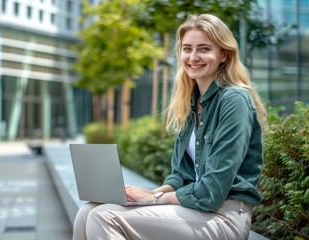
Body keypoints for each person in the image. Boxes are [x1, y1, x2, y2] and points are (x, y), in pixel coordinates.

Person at [73, 13, 267, 240]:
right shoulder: (191, 102)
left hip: (224, 216)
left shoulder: (234, 100)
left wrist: (155, 199)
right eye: (187, 49)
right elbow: (180, 176)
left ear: (223, 54)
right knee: (87, 211)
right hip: (194, 211)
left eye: (204, 49)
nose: (193, 57)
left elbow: (212, 192)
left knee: (104, 217)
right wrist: (148, 193)